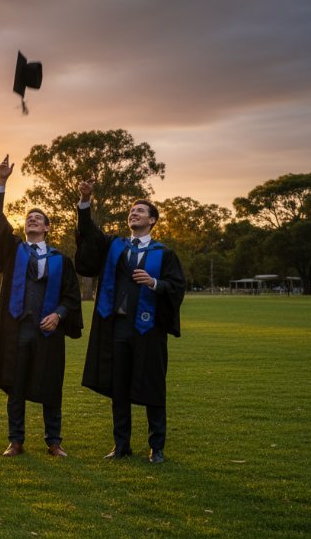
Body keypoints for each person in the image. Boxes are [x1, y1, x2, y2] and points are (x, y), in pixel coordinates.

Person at [75, 179, 185, 464]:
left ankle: (156, 447)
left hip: (149, 329)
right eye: (131, 210)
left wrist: (154, 282)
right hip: (118, 327)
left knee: (152, 385)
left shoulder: (164, 254)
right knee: (119, 387)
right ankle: (121, 445)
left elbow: (177, 286)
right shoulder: (115, 246)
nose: (133, 213)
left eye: (140, 210)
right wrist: (85, 202)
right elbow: (88, 232)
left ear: (152, 220)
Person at [0, 156, 83, 458]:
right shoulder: (14, 251)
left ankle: (54, 440)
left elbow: (71, 297)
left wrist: (59, 315)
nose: (32, 219)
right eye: (29, 217)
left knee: (51, 384)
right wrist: (2, 183)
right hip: (17, 328)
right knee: (16, 385)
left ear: (48, 228)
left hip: (48, 331)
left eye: (38, 218)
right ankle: (16, 440)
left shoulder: (60, 261)